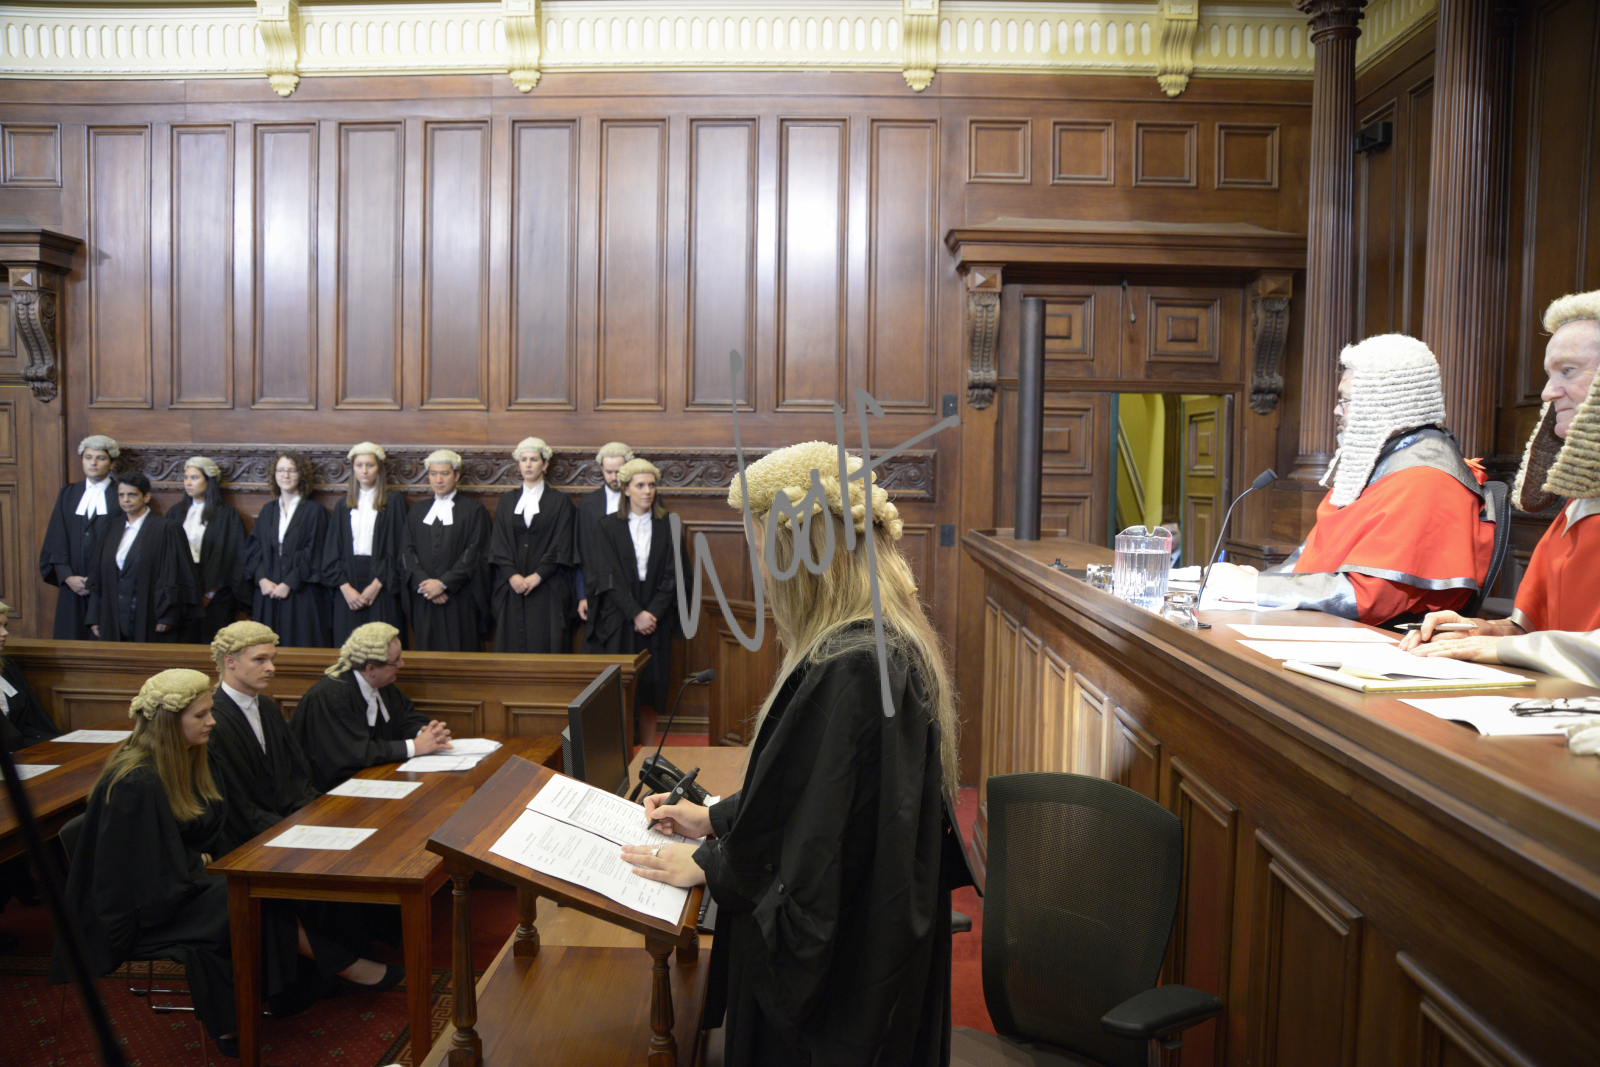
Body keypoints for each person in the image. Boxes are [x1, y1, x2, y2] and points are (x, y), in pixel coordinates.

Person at [625, 440, 968, 1067]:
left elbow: (819, 856)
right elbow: (812, 793)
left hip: (846, 991)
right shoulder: (874, 644)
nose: (761, 572)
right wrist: (716, 819)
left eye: (763, 551)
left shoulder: (854, 668)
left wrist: (714, 866)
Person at [1206, 334, 1495, 626]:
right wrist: (1262, 581)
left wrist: (1256, 588)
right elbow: (1314, 558)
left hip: (1385, 642)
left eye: (1345, 401)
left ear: (1383, 404)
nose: (1336, 411)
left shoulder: (1426, 479)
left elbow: (1367, 597)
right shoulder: (1377, 465)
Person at [1401, 290, 1600, 691]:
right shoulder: (1580, 499)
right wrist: (1482, 631)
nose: (1548, 393)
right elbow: (1536, 628)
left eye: (1568, 371)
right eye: (1550, 375)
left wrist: (1505, 648)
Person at [206, 622, 402, 1004]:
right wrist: (292, 830)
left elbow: (298, 777)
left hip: (281, 823)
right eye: (260, 660)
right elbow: (235, 806)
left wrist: (318, 816)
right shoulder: (214, 718)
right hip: (243, 837)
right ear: (229, 662)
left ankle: (341, 965)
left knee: (357, 847)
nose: (271, 668)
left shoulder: (265, 707)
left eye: (272, 659)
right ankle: (323, 977)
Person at [49, 670, 238, 1056]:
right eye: (201, 715)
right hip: (140, 913)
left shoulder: (187, 757)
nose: (212, 721)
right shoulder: (136, 780)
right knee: (239, 898)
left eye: (210, 712)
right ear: (169, 722)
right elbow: (141, 878)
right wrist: (197, 862)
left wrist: (198, 860)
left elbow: (180, 842)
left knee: (248, 892)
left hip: (173, 888)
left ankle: (271, 996)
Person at [288, 623, 453, 791]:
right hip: (333, 789)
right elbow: (355, 752)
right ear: (371, 669)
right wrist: (414, 746)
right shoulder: (330, 696)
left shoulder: (382, 683)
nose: (402, 664)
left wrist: (425, 732)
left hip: (373, 778)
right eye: (396, 661)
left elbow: (405, 716)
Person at [590, 458, 685, 739]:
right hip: (620, 617)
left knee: (651, 688)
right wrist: (635, 613)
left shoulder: (669, 524)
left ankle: (648, 751)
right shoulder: (607, 526)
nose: (647, 491)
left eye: (652, 485)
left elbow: (674, 573)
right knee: (622, 687)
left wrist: (651, 613)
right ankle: (621, 753)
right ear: (626, 489)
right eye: (640, 485)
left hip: (657, 616)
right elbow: (608, 575)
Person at [490, 437, 579, 654]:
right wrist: (512, 575)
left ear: (545, 464)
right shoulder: (506, 501)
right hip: (512, 588)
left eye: (534, 459)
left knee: (546, 646)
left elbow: (562, 543)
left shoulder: (560, 501)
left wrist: (538, 575)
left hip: (548, 588)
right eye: (523, 460)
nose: (528, 465)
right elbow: (499, 543)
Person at [86, 471, 197, 643]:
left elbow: (177, 575)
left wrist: (169, 615)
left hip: (150, 617)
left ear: (146, 497)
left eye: (132, 495)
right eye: (121, 495)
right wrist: (94, 616)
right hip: (112, 618)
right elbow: (98, 577)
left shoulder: (166, 529)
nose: (126, 500)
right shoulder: (110, 529)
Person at [400, 449, 490, 652]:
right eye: (433, 474)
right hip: (424, 598)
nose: (438, 480)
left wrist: (443, 584)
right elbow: (407, 552)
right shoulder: (417, 511)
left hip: (459, 598)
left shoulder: (474, 510)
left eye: (444, 473)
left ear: (456, 476)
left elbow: (474, 553)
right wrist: (426, 586)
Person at [324, 442, 407, 646]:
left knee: (383, 646)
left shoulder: (393, 502)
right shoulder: (343, 504)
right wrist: (345, 588)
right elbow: (332, 550)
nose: (364, 471)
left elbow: (399, 548)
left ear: (379, 468)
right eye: (359, 465)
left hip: (382, 583)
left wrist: (377, 585)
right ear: (353, 468)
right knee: (350, 646)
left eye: (370, 465)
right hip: (348, 583)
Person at [38, 434, 119, 640]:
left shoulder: (121, 494)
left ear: (112, 463)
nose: (93, 463)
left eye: (100, 458)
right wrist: (66, 576)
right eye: (88, 457)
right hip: (72, 586)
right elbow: (56, 537)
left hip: (107, 587)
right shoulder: (69, 493)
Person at [249, 450, 332, 649]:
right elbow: (254, 550)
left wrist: (289, 584)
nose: (285, 475)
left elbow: (315, 552)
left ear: (301, 474)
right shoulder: (268, 510)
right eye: (280, 470)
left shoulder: (315, 511)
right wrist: (262, 580)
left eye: (291, 470)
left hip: (301, 594)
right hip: (268, 593)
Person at [169, 456, 252, 645]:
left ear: (209, 481)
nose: (188, 483)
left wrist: (209, 593)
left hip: (216, 593)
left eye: (194, 478)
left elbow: (231, 555)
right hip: (182, 590)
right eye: (186, 478)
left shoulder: (226, 515)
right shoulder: (176, 512)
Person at [575, 441, 634, 651]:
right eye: (609, 472)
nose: (614, 477)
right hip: (597, 593)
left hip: (632, 593)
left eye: (619, 471)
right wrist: (582, 595)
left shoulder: (643, 501)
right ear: (601, 469)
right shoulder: (588, 505)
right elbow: (580, 553)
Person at [0, 599, 58, 752]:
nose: (5, 633)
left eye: (4, 626)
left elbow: (34, 722)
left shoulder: (6, 667)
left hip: (19, 752)